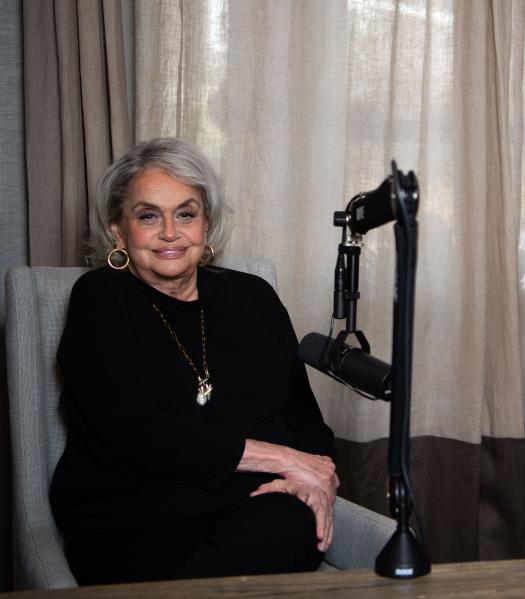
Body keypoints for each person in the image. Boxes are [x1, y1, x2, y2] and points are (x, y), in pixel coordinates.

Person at [50, 138, 340, 584]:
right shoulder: (99, 299)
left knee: (288, 522)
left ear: (207, 225)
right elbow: (122, 433)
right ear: (117, 230)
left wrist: (316, 480)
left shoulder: (253, 297)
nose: (170, 232)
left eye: (186, 213)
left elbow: (306, 420)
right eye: (148, 215)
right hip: (137, 512)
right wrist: (281, 457)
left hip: (254, 506)